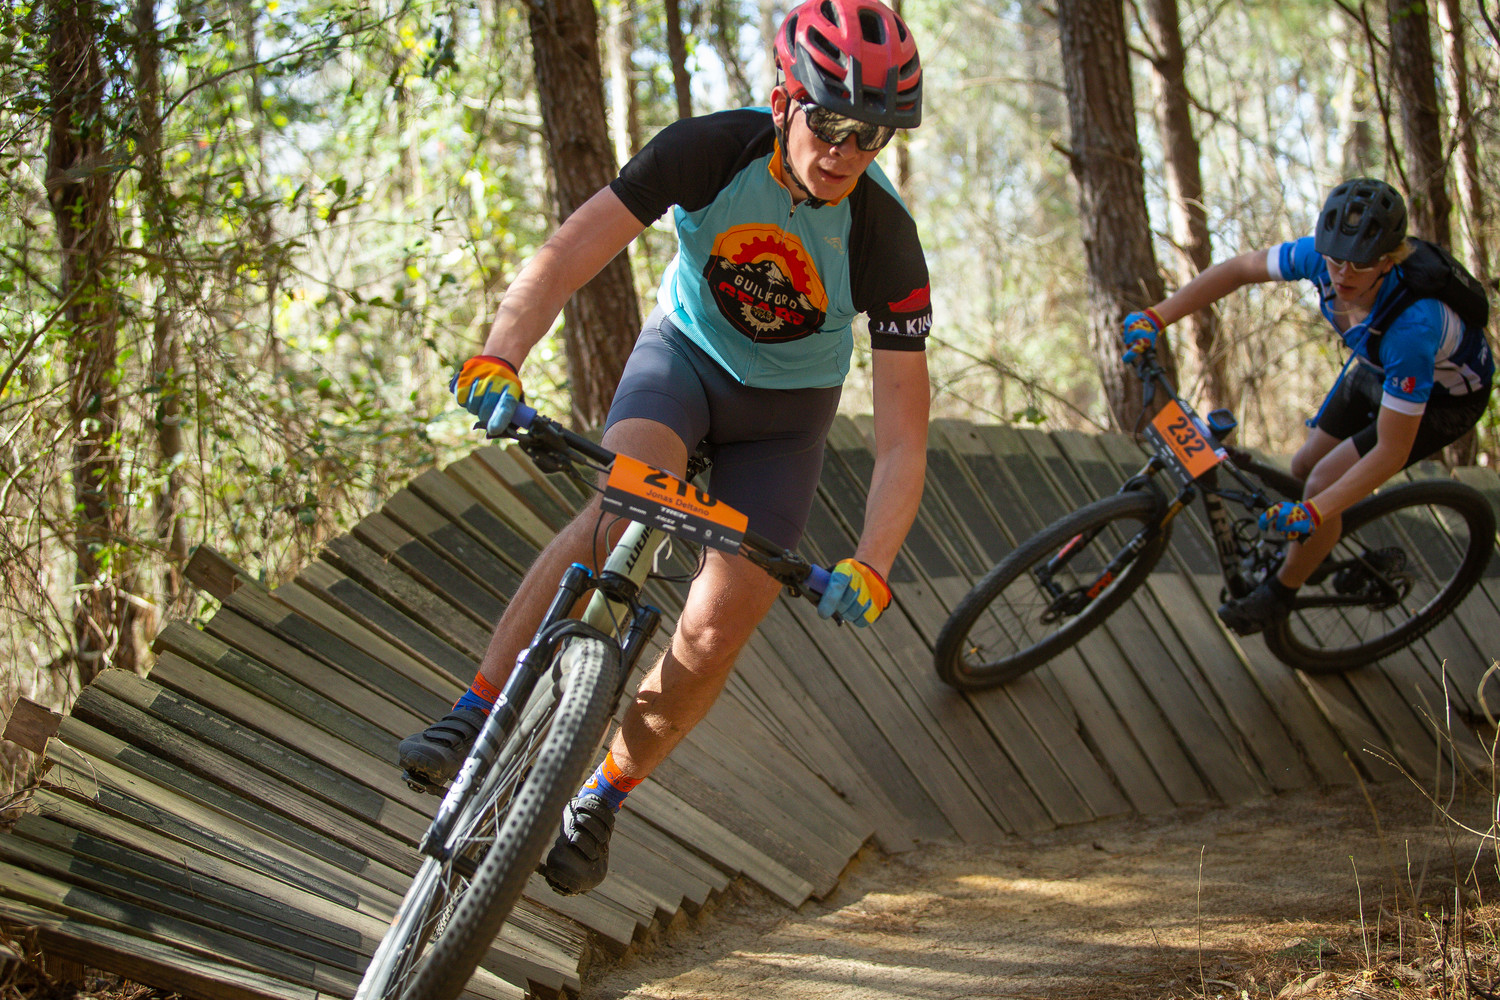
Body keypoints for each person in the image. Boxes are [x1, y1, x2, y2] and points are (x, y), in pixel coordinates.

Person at [398, 0, 932, 897]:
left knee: (718, 626)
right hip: (683, 363)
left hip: (784, 422)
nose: (846, 151)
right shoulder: (709, 150)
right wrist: (501, 354)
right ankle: (475, 709)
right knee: (622, 504)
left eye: (871, 136)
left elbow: (903, 436)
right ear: (783, 102)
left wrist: (874, 560)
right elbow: (571, 251)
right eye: (831, 123)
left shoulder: (885, 237)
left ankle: (603, 796)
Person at [1120, 177, 1493, 636]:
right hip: (1378, 366)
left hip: (1445, 399)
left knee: (1320, 484)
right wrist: (1156, 316)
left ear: (1388, 260)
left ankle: (1279, 595)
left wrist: (1315, 511)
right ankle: (1319, 544)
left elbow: (1391, 452)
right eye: (1336, 260)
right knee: (1303, 465)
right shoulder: (1321, 257)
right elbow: (1239, 270)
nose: (1343, 275)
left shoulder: (1413, 328)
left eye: (1360, 264)